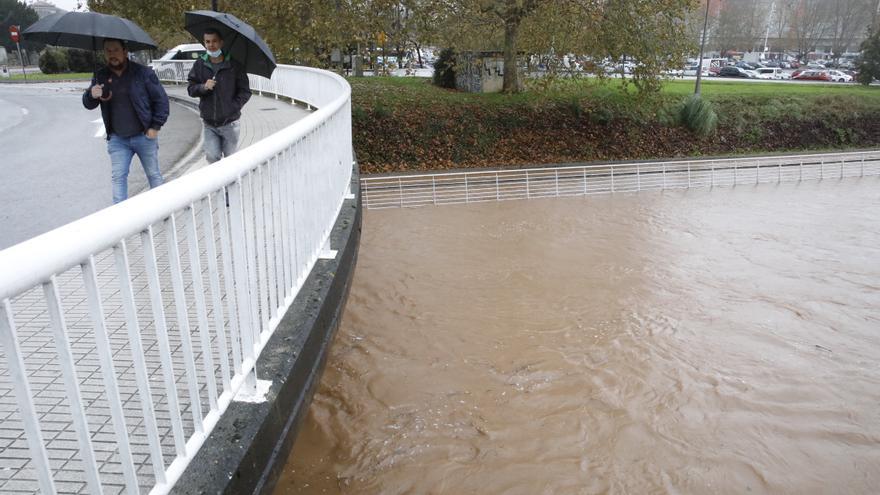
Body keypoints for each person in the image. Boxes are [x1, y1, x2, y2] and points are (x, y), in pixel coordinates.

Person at [83, 38, 169, 204]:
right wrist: (90, 95)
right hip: (118, 139)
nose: (112, 54)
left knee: (154, 175)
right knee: (118, 178)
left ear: (125, 51)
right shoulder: (100, 75)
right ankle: (120, 220)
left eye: (115, 50)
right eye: (108, 51)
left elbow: (161, 101)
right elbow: (89, 104)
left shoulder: (143, 73)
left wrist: (155, 127)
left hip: (144, 135)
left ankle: (163, 210)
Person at [187, 28, 252, 163]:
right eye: (207, 42)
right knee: (212, 156)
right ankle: (219, 185)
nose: (211, 45)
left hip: (230, 123)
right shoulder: (199, 64)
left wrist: (233, 106)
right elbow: (191, 89)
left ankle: (232, 184)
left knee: (231, 161)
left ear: (221, 43)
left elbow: (245, 91)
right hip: (209, 123)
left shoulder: (234, 65)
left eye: (214, 41)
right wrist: (203, 87)